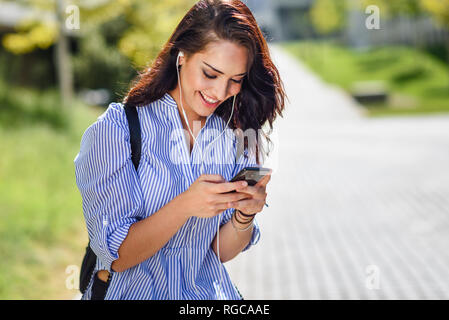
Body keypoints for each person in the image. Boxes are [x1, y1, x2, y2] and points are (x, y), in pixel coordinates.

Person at [74, 0, 285, 300]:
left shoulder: (231, 136)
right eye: (210, 74)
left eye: (235, 80)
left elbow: (218, 253)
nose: (220, 93)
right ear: (182, 56)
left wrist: (244, 215)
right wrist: (186, 205)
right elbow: (117, 255)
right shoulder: (118, 130)